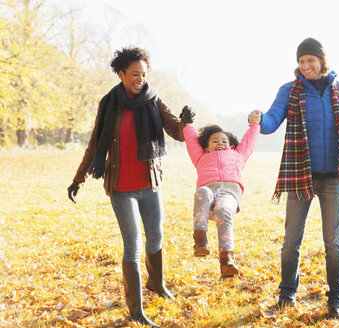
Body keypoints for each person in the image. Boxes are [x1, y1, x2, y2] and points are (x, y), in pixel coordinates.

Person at [249, 37, 339, 319]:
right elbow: (273, 121)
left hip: (333, 177)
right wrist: (258, 119)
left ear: (322, 62)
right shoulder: (289, 91)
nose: (306, 66)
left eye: (310, 60)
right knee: (291, 240)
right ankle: (286, 296)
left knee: (333, 241)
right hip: (300, 175)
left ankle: (335, 300)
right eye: (301, 61)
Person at [67, 46, 194, 327]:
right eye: (134, 74)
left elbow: (175, 130)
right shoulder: (108, 103)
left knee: (156, 237)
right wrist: (79, 178)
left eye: (144, 74)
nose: (140, 79)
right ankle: (135, 311)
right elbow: (94, 144)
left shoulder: (153, 99)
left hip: (150, 184)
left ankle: (156, 285)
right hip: (122, 188)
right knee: (132, 245)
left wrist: (185, 122)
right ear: (121, 74)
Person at [183, 117, 260, 278]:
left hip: (229, 195)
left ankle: (227, 261)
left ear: (230, 145)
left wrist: (255, 125)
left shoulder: (238, 155)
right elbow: (191, 142)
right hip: (208, 197)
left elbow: (249, 142)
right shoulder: (201, 157)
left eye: (224, 141)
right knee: (201, 192)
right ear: (206, 147)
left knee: (223, 210)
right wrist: (188, 125)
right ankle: (200, 241)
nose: (220, 143)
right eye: (215, 141)